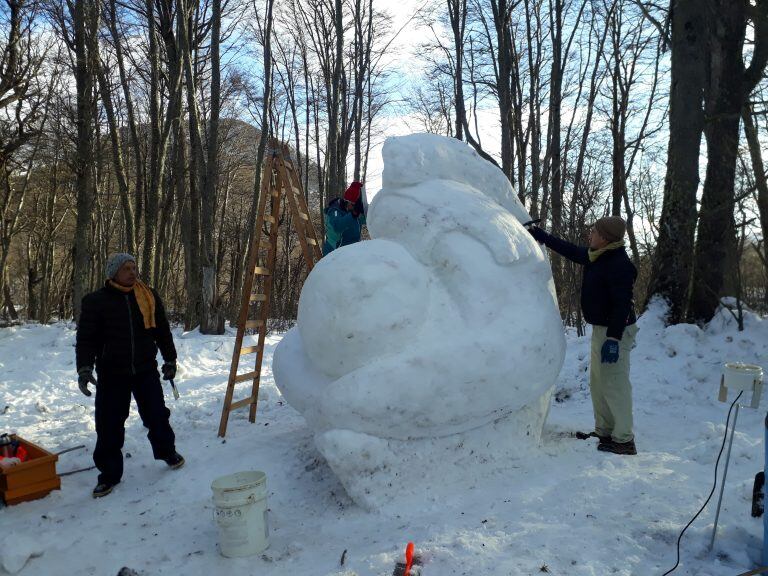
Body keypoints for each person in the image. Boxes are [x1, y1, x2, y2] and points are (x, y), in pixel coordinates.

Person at [528, 216, 639, 455]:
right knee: (599, 383)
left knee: (615, 384)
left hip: (616, 332)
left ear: (606, 237)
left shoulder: (619, 264)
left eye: (595, 231)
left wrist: (614, 339)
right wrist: (542, 236)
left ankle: (624, 439)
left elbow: (622, 304)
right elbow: (572, 251)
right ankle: (604, 431)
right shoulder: (596, 255)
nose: (591, 234)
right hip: (602, 329)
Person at [76, 253, 184, 498]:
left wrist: (170, 359)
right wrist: (84, 368)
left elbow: (162, 330)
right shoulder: (96, 301)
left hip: (145, 368)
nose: (133, 272)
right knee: (109, 424)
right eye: (127, 268)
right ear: (113, 273)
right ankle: (109, 475)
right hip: (112, 373)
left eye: (134, 267)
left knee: (157, 414)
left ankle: (167, 452)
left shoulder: (148, 296)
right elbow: (86, 339)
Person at [322, 181, 366, 256]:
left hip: (350, 251)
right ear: (348, 202)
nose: (354, 207)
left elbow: (364, 220)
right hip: (334, 253)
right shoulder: (335, 211)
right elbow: (337, 226)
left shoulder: (350, 210)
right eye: (354, 205)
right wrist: (353, 214)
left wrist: (365, 212)